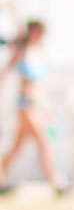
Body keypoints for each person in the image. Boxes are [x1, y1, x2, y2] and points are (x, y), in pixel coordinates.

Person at [0, 20, 68, 194]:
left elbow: (42, 86)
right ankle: (57, 183)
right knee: (44, 142)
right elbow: (5, 72)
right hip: (26, 105)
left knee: (17, 147)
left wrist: (46, 108)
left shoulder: (39, 53)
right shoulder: (22, 53)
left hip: (39, 106)